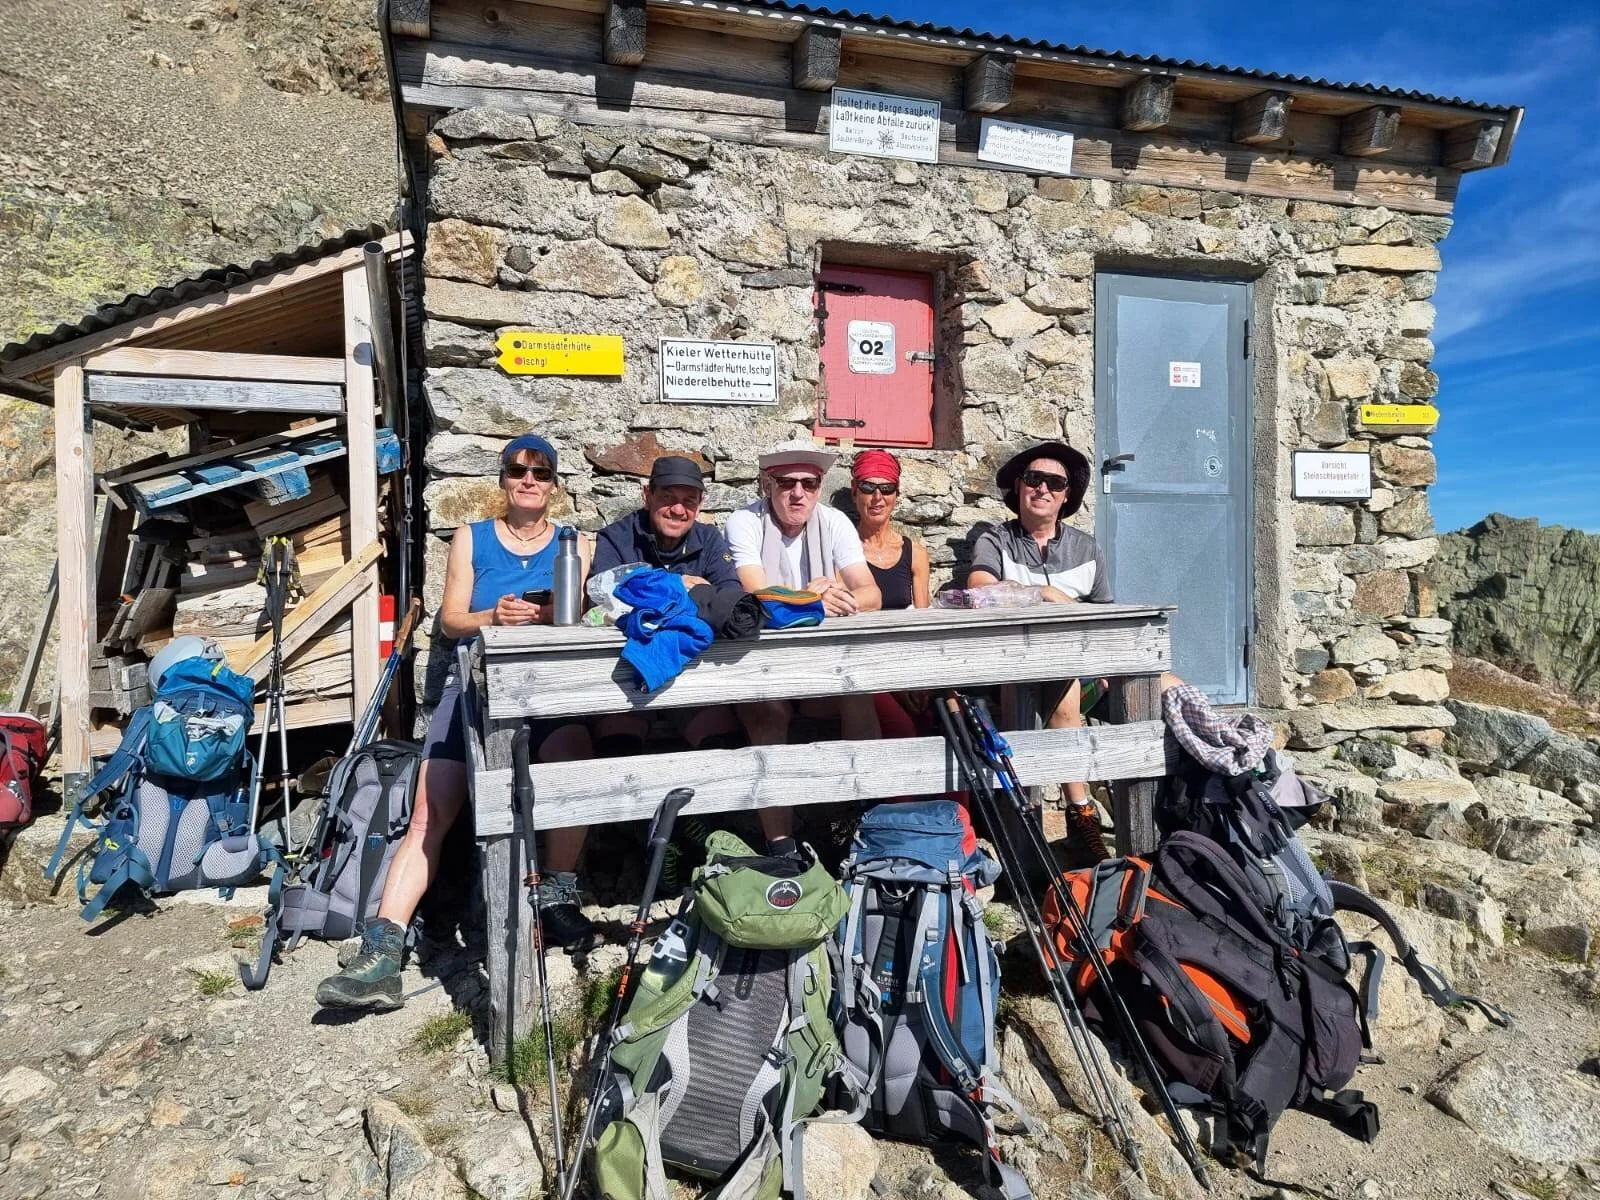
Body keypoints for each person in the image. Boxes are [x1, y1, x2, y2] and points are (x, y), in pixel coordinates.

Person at [316, 434, 597, 1013]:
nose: (528, 480)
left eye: (541, 473)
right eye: (518, 470)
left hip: (546, 687)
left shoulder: (577, 545)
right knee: (430, 810)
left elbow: (583, 616)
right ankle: (383, 947)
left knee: (574, 772)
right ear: (502, 479)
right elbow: (449, 620)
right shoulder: (472, 538)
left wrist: (543, 615)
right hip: (471, 683)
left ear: (554, 485)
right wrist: (494, 615)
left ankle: (557, 897)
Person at [724, 440, 883, 851]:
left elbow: (871, 593)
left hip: (821, 669)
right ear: (767, 485)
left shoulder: (833, 522)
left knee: (859, 697)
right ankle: (782, 843)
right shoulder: (745, 522)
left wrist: (840, 598)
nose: (799, 493)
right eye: (787, 483)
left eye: (809, 484)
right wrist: (814, 601)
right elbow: (757, 594)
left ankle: (865, 817)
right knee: (768, 713)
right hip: (758, 668)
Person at [967, 440, 1113, 866]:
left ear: (1067, 495)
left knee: (1167, 688)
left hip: (1086, 671)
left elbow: (1106, 619)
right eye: (1034, 479)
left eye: (1055, 482)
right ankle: (1080, 815)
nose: (1043, 488)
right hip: (1016, 670)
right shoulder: (997, 540)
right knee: (1061, 684)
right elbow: (979, 589)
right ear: (1019, 487)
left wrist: (1104, 666)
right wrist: (1042, 593)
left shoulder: (1087, 549)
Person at [588, 454, 743, 755]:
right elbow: (600, 595)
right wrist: (680, 587)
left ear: (700, 504)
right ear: (647, 496)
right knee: (618, 744)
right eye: (667, 497)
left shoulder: (709, 539)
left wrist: (647, 590)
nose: (678, 509)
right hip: (624, 674)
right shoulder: (617, 537)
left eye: (689, 500)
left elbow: (730, 598)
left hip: (693, 675)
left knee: (723, 743)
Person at [851, 449, 931, 611]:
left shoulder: (916, 554)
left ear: (896, 493)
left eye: (887, 488)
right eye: (868, 487)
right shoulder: (842, 552)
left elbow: (923, 618)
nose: (877, 497)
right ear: (855, 492)